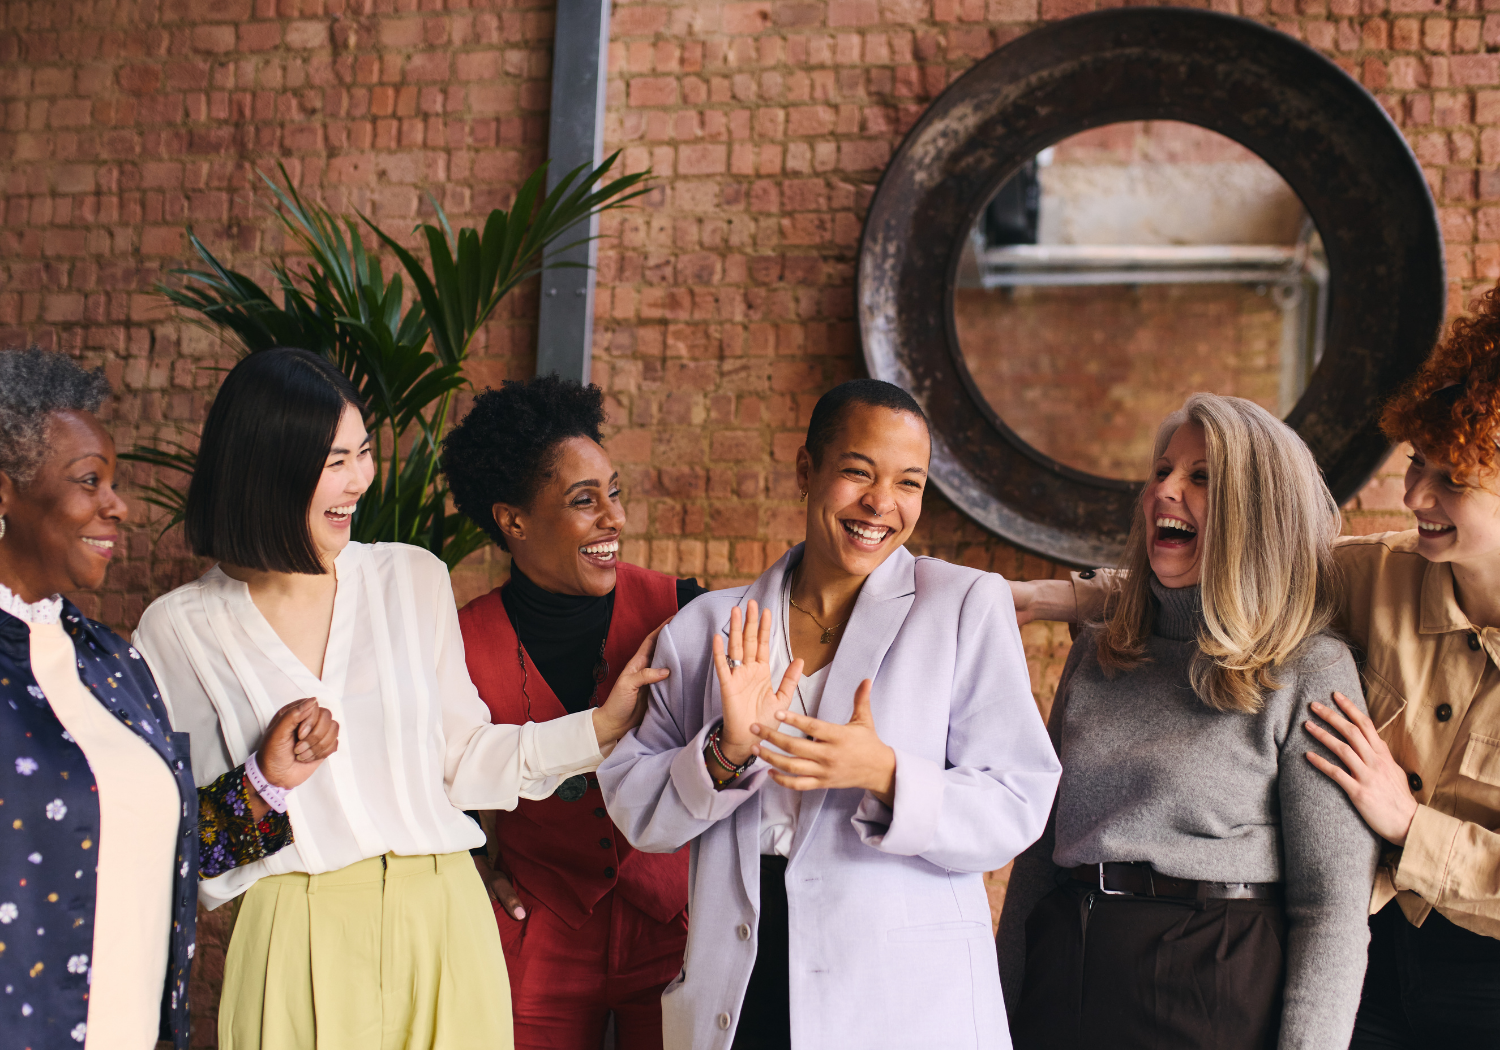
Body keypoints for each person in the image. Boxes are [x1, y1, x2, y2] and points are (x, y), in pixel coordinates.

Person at [132, 348, 665, 1050]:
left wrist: (600, 726)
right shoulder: (178, 629)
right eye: (334, 462)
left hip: (443, 917)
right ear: (267, 466)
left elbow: (466, 759)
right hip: (296, 933)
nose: (359, 480)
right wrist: (266, 782)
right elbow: (183, 847)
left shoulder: (408, 579)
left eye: (362, 453)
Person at [599, 378, 1060, 1050]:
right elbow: (638, 811)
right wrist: (725, 754)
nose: (882, 504)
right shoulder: (706, 629)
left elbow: (1018, 800)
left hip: (903, 996)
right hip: (742, 979)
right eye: (857, 472)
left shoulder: (963, 606)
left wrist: (887, 774)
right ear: (806, 470)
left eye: (909, 483)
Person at [996, 394, 1379, 1049]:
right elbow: (1035, 862)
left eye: (1201, 477)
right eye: (1162, 471)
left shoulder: (1311, 668)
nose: (1164, 491)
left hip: (1212, 996)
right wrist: (991, 1018)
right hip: (1063, 983)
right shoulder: (1100, 646)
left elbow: (1331, 911)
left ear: (1254, 510)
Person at [441, 375, 701, 1050]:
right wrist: (469, 866)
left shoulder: (681, 608)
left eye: (613, 492)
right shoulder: (458, 641)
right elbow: (428, 782)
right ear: (514, 520)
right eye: (585, 501)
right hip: (540, 928)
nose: (614, 518)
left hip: (673, 924)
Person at [0, 347, 197, 1050]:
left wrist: (267, 788)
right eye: (91, 481)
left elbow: (167, 856)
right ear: (5, 494)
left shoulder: (117, 666)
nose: (118, 506)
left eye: (114, 482)